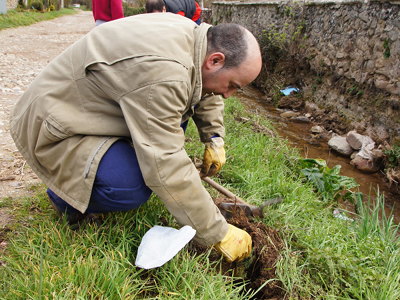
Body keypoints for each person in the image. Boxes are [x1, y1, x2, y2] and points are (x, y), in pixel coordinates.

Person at [10, 13, 262, 262]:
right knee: (131, 186)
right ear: (216, 60)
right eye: (233, 86)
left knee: (170, 130)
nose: (228, 95)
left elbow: (203, 86)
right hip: (55, 125)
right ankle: (64, 197)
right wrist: (217, 233)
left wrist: (214, 136)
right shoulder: (165, 73)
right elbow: (165, 163)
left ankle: (102, 166)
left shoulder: (196, 39)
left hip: (89, 110)